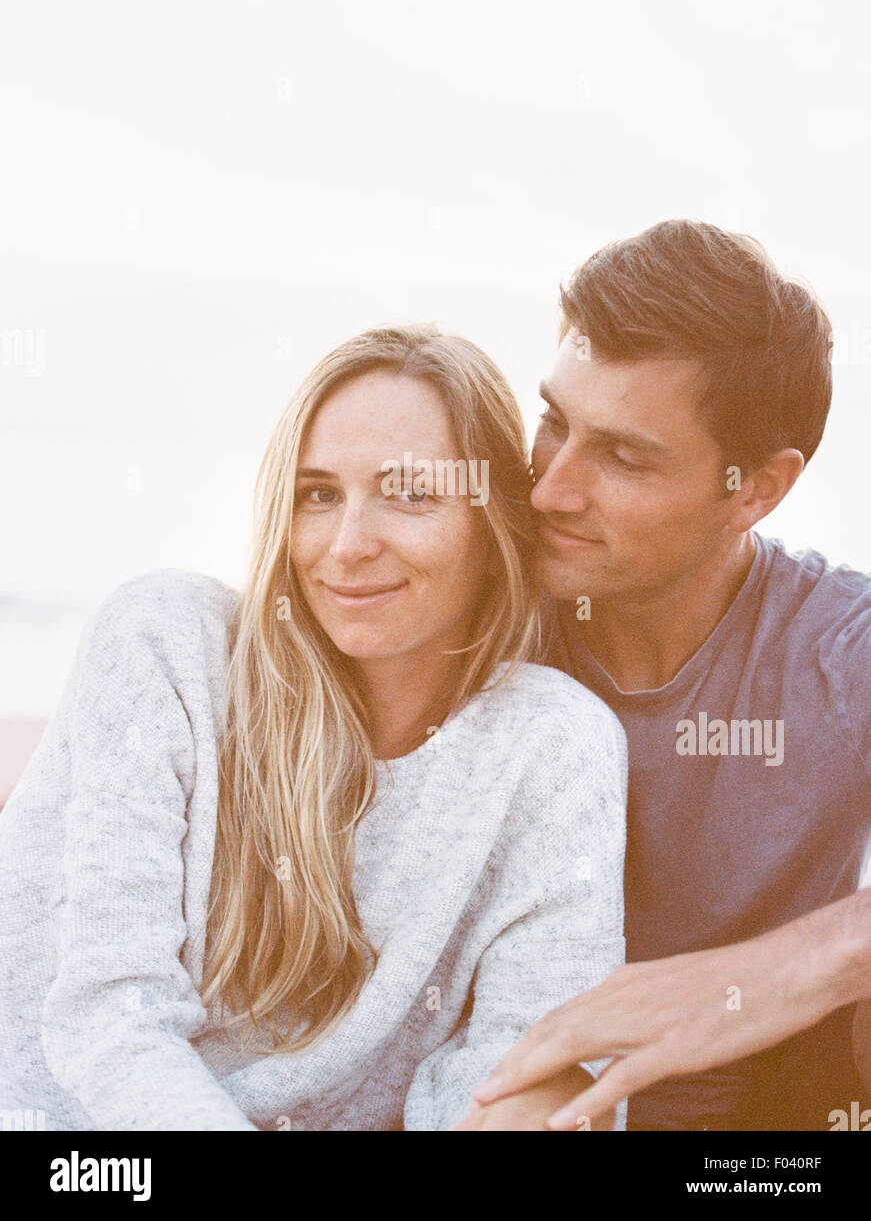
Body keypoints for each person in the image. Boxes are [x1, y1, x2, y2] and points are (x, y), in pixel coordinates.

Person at [0, 325, 628, 1132]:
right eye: (318, 495)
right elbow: (110, 1021)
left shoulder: (552, 744)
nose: (347, 545)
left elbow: (530, 1066)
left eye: (408, 494)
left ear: (492, 524)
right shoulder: (168, 645)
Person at [464, 218, 871, 1131]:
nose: (549, 491)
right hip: (493, 1095)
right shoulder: (468, 614)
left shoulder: (838, 644)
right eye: (552, 424)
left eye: (622, 456)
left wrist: (757, 978)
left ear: (756, 489)